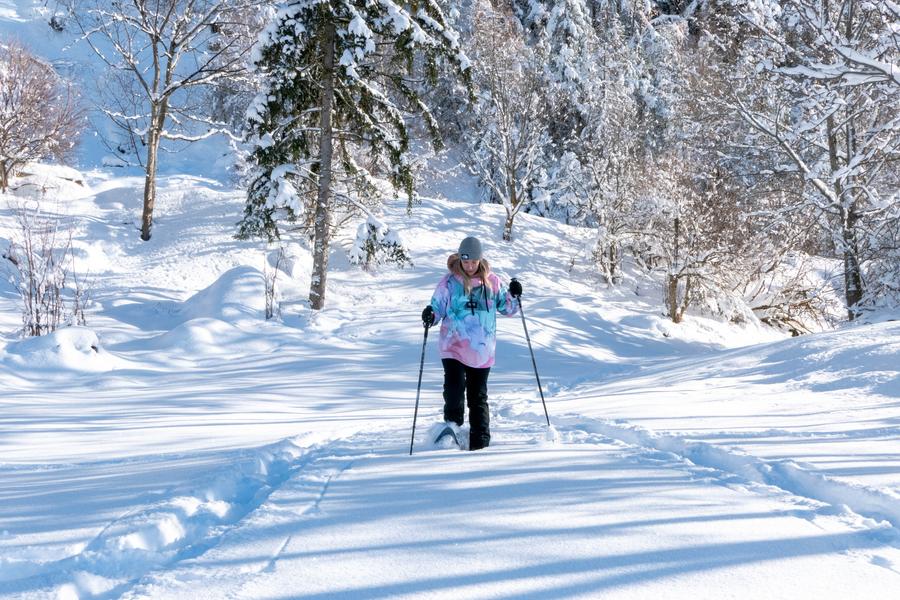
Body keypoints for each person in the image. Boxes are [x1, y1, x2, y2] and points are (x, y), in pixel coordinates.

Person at [421, 236, 523, 450]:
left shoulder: (492, 282)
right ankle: (452, 431)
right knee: (454, 389)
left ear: (480, 259)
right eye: (465, 262)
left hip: (481, 350)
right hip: (453, 346)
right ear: (460, 259)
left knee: (478, 397)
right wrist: (431, 314)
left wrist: (514, 294)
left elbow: (508, 308)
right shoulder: (449, 282)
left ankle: (481, 443)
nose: (469, 266)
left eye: (473, 262)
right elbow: (437, 306)